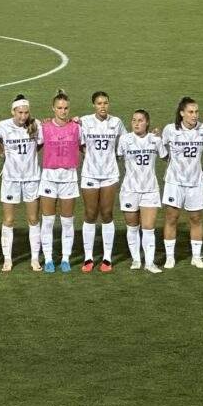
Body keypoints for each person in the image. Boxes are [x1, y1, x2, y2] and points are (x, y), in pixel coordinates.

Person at [0, 95, 43, 272]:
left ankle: (35, 259)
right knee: (8, 219)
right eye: (20, 112)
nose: (23, 116)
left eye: (26, 112)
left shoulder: (36, 125)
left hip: (31, 178)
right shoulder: (3, 125)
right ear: (13, 111)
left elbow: (38, 146)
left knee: (33, 218)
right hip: (11, 179)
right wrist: (1, 154)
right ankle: (7, 260)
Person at [161, 97, 203, 269]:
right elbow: (162, 150)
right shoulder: (170, 130)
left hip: (196, 181)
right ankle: (169, 257)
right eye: (190, 112)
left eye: (196, 112)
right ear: (181, 113)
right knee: (171, 218)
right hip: (174, 182)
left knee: (196, 218)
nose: (194, 115)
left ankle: (196, 257)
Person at [79, 92, 125, 273]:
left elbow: (124, 143)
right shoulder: (84, 122)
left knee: (106, 213)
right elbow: (79, 144)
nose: (103, 106)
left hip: (110, 175)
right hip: (90, 174)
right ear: (94, 105)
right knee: (90, 214)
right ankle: (88, 257)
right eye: (99, 103)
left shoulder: (117, 123)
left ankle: (107, 257)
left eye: (105, 103)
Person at [118, 109, 166, 272]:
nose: (136, 123)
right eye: (134, 120)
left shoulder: (155, 140)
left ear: (147, 123)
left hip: (150, 190)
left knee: (148, 227)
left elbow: (166, 157)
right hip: (129, 190)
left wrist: (160, 138)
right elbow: (117, 156)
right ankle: (136, 260)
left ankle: (150, 262)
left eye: (140, 120)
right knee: (132, 227)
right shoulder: (125, 140)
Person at [39, 90, 79, 273]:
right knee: (47, 221)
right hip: (49, 177)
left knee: (67, 221)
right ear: (53, 109)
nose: (63, 111)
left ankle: (65, 258)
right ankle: (48, 258)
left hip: (69, 177)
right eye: (60, 108)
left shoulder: (77, 127)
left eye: (66, 108)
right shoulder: (44, 127)